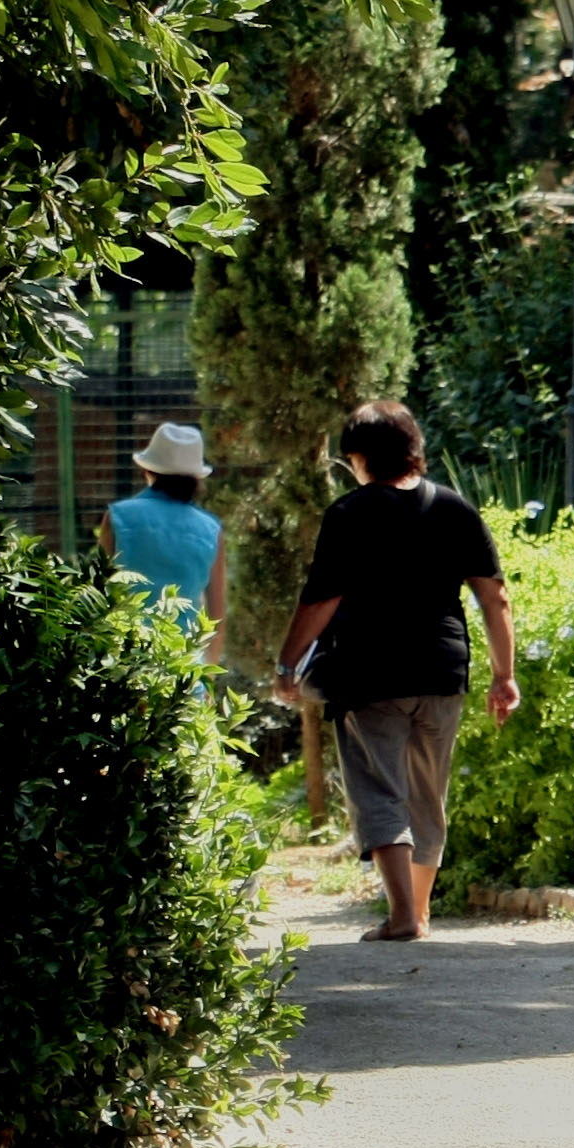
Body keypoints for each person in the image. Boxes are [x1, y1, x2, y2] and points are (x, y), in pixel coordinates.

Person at [275, 402, 519, 942]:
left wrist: (288, 662)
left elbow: (322, 599)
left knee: (380, 791)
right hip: (441, 669)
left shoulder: (348, 515)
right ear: (414, 450)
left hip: (370, 673)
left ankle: (404, 917)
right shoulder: (455, 508)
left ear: (359, 458)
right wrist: (505, 675)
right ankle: (419, 913)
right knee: (427, 795)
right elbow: (493, 599)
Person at [101, 422, 229, 658]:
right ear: (196, 479)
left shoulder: (118, 517)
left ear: (149, 471)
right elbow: (216, 619)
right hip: (183, 670)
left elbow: (98, 594)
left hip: (124, 662)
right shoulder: (211, 530)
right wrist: (205, 680)